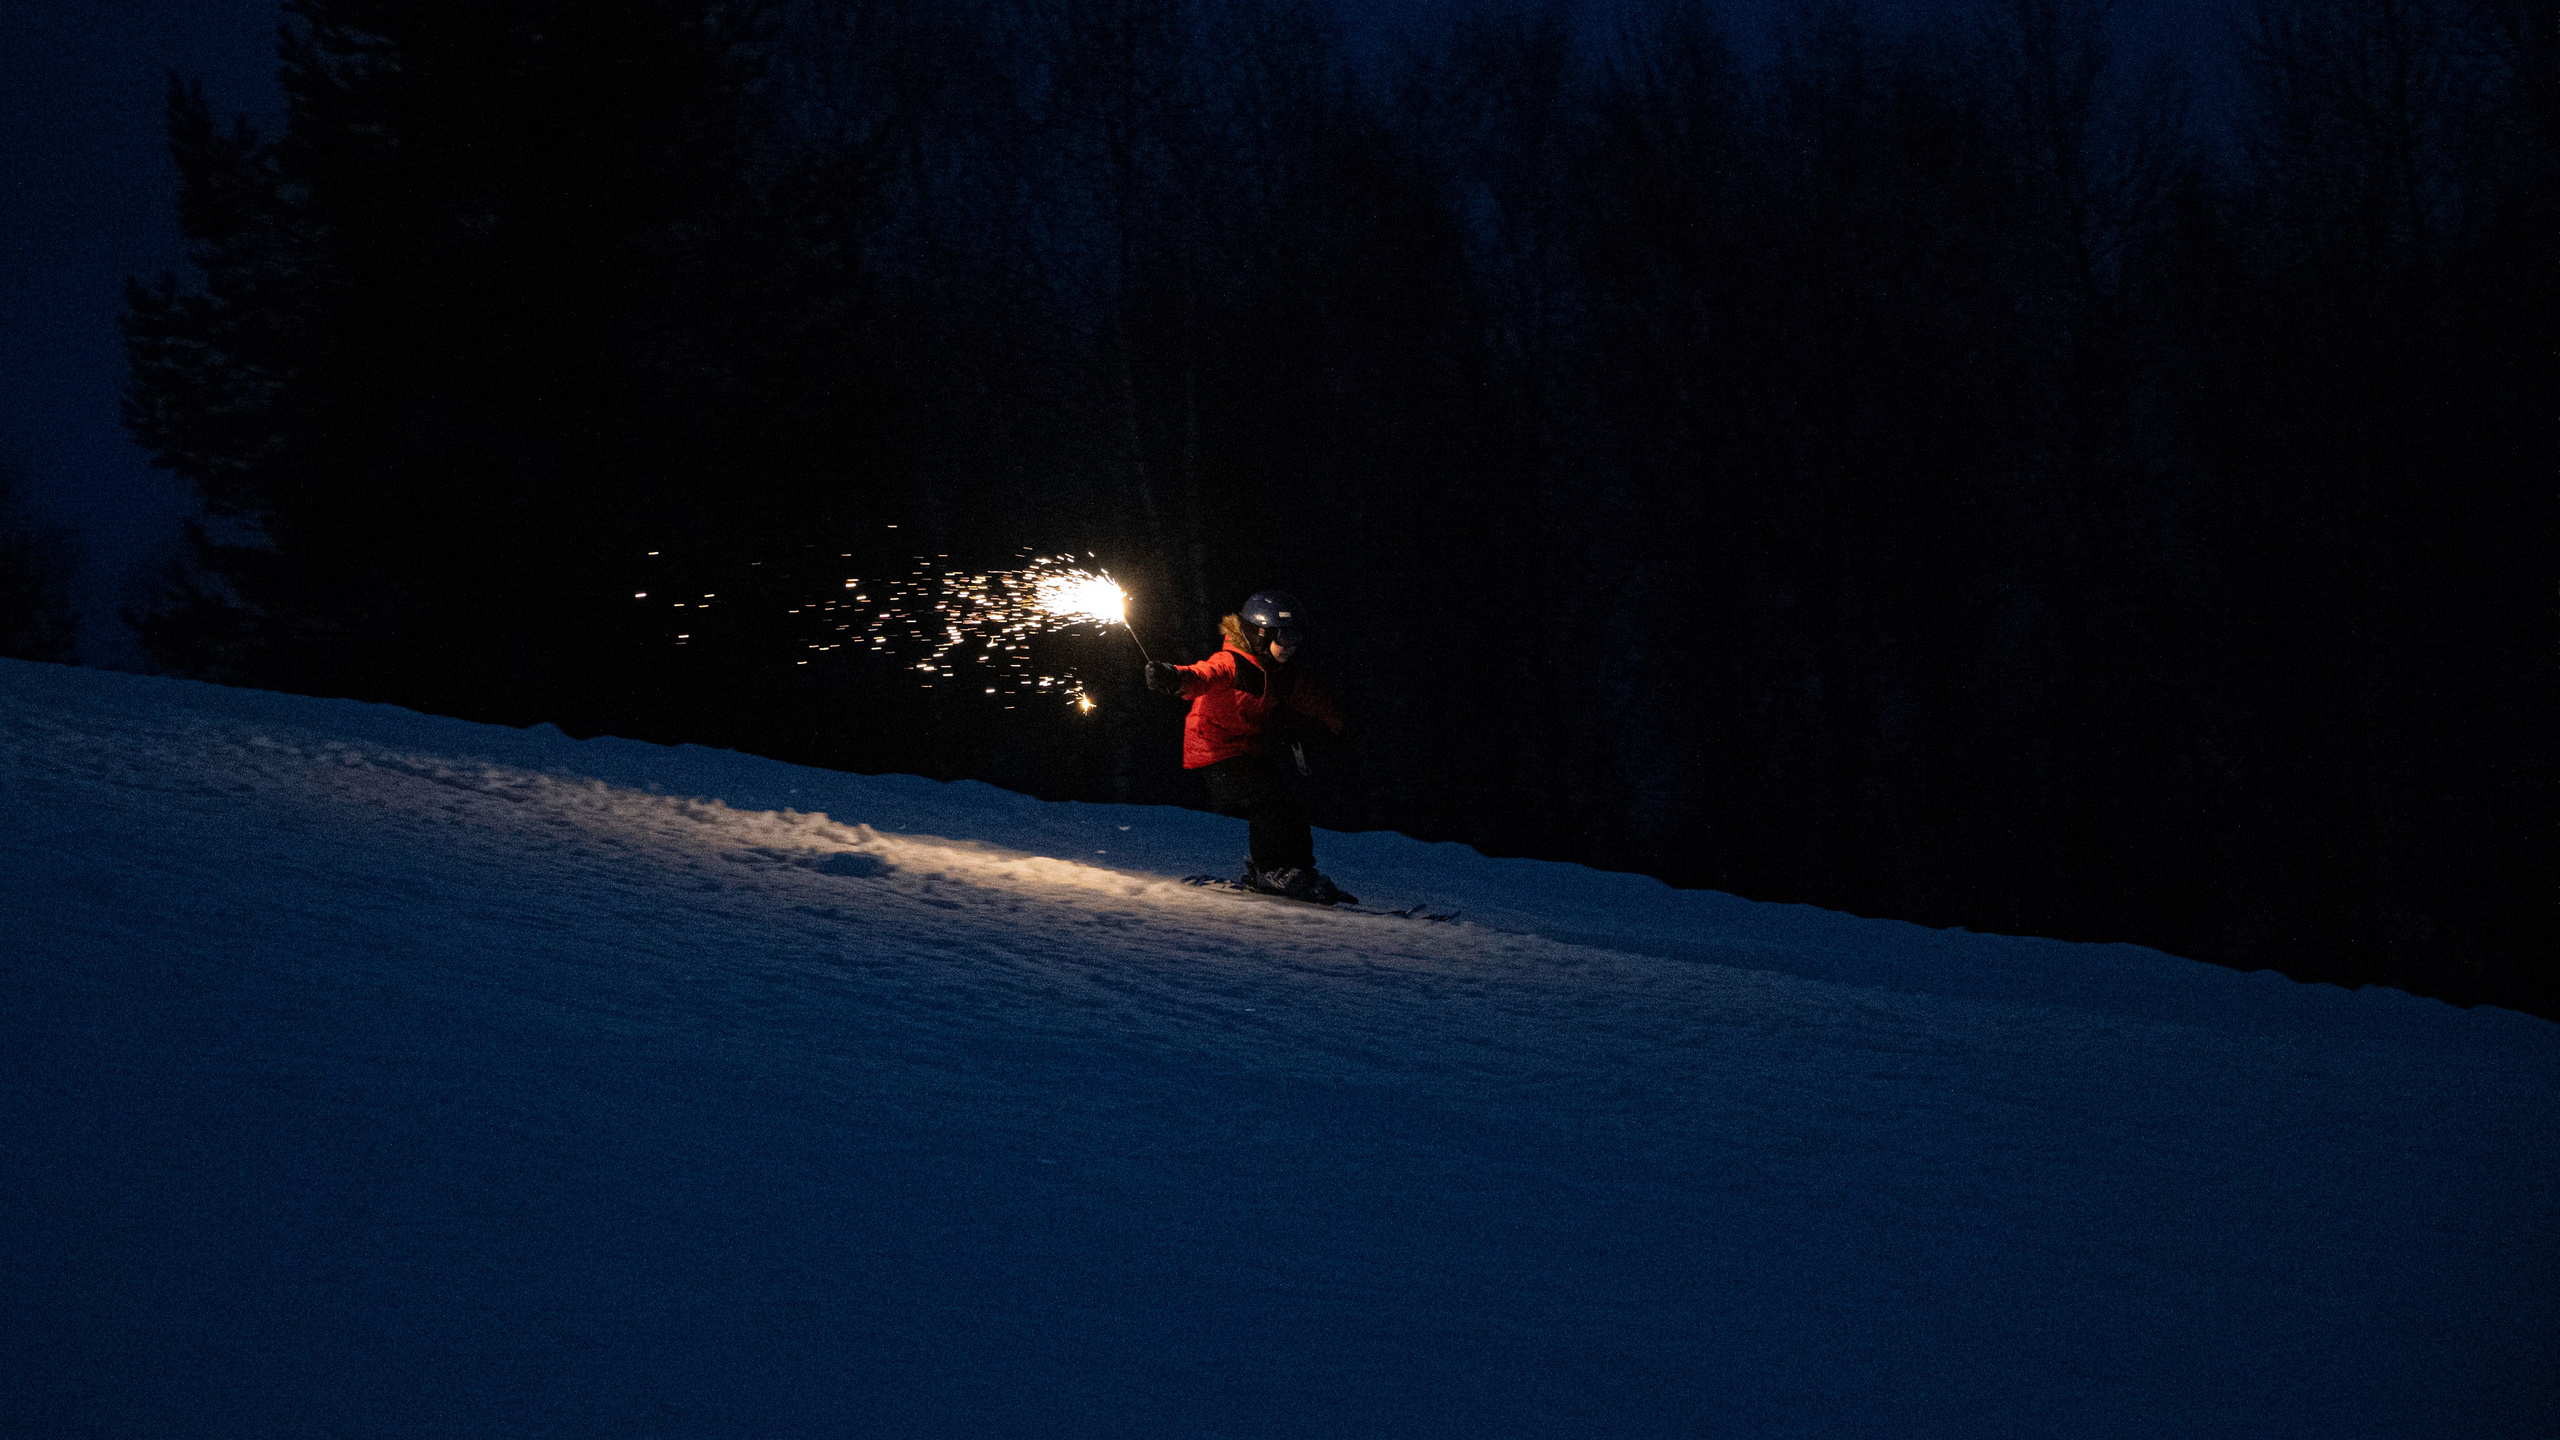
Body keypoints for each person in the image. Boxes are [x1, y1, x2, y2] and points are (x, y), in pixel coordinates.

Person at [1145, 589, 1357, 905]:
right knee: (1267, 800)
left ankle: (1297, 870)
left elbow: (1312, 697)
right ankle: (1269, 869)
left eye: (1296, 636)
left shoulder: (1281, 672)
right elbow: (1203, 675)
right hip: (1215, 752)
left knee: (1289, 803)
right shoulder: (1233, 663)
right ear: (1260, 633)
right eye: (1283, 636)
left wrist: (1345, 726)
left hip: (1248, 751)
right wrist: (1175, 678)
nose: (1290, 646)